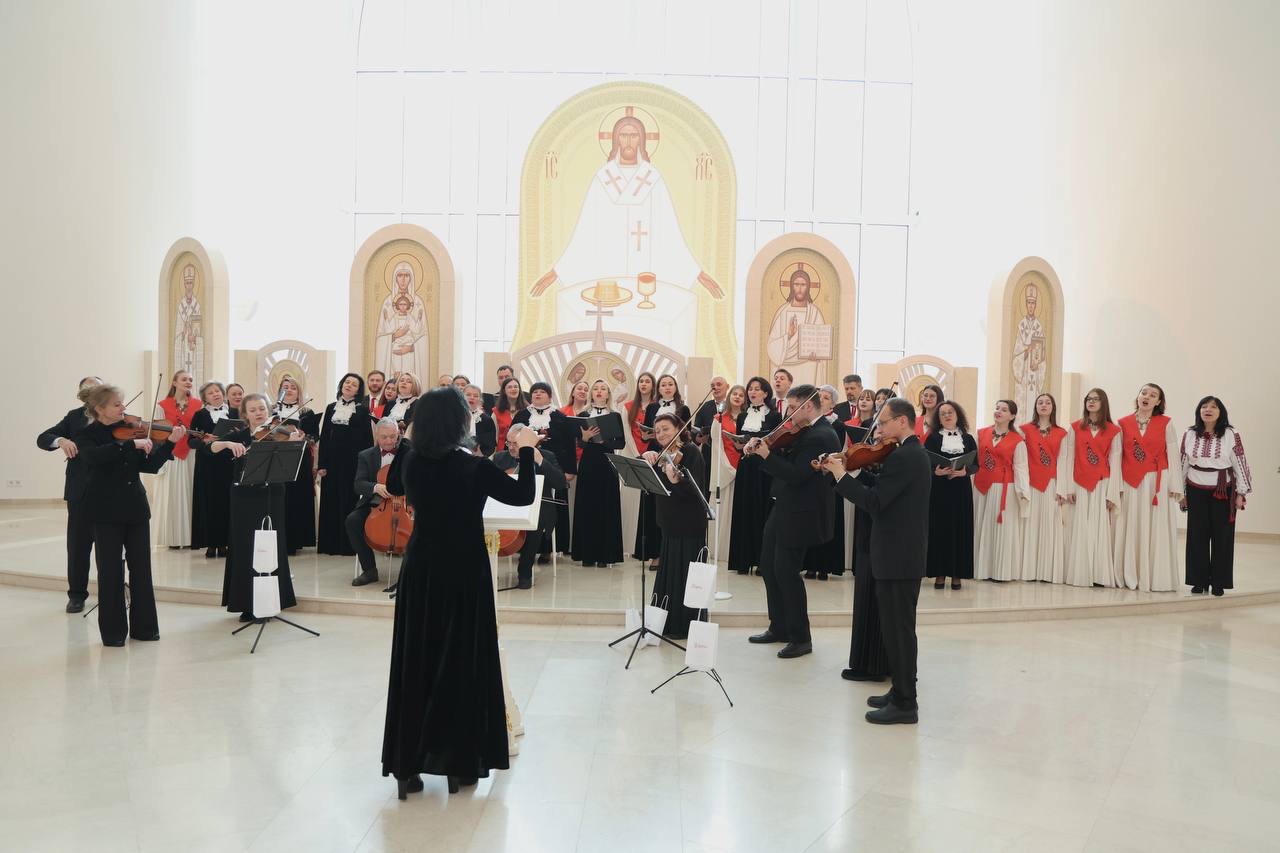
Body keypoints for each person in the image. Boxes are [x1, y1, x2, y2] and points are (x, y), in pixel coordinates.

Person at [381, 387, 539, 798]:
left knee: (418, 658)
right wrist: (526, 449)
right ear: (458, 424)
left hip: (421, 568)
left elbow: (394, 483)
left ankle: (408, 766)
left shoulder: (411, 462)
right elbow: (522, 495)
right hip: (463, 569)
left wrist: (408, 439)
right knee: (460, 660)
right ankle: (458, 762)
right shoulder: (472, 467)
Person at [822, 397, 931, 724]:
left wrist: (841, 477)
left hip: (898, 556)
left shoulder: (905, 457)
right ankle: (899, 692)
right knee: (895, 629)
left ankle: (906, 703)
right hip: (901, 554)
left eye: (883, 423)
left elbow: (876, 503)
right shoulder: (908, 454)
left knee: (899, 632)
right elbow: (884, 490)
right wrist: (852, 471)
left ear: (902, 421)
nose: (879, 429)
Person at [76, 384, 179, 646]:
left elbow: (150, 465)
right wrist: (129, 445)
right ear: (99, 409)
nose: (124, 408)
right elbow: (94, 458)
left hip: (135, 508)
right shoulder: (87, 435)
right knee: (110, 572)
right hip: (104, 510)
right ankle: (113, 634)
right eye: (117, 404)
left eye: (122, 403)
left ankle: (145, 629)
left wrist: (169, 444)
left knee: (141, 570)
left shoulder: (132, 431)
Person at [744, 384, 841, 659]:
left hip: (801, 512)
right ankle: (779, 626)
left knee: (787, 572)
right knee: (768, 565)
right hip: (785, 506)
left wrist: (766, 455)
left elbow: (797, 475)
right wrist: (763, 446)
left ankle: (801, 637)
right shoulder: (807, 431)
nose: (788, 413)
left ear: (808, 406)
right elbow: (788, 457)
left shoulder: (822, 435)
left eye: (793, 407)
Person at [203, 393, 304, 621]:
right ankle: (247, 604)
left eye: (262, 408)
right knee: (246, 547)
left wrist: (295, 443)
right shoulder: (238, 434)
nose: (259, 413)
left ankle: (273, 601)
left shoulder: (279, 432)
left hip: (273, 493)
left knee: (272, 547)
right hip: (244, 497)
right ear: (245, 414)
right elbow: (208, 447)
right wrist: (227, 443)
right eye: (253, 410)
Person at [36, 376, 103, 612]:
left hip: (109, 491)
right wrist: (61, 440)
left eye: (97, 386)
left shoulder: (115, 415)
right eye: (88, 388)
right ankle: (76, 595)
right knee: (77, 547)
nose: (93, 390)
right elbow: (43, 438)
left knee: (110, 547)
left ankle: (111, 592)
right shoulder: (74, 417)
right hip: (79, 491)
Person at [642, 414, 707, 639]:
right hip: (669, 524)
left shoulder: (690, 452)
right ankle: (667, 623)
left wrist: (676, 480)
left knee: (686, 577)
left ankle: (684, 625)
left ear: (679, 428)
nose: (661, 434)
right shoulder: (662, 454)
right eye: (657, 430)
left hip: (689, 524)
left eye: (666, 429)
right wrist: (644, 457)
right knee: (670, 575)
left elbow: (696, 490)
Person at [1180, 396, 1251, 596]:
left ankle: (1219, 582)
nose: (1208, 410)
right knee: (1197, 536)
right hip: (1195, 489)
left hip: (1223, 490)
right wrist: (1181, 492)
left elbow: (1240, 461)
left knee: (1222, 537)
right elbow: (1182, 463)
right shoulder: (1189, 433)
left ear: (1221, 412)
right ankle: (1199, 581)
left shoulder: (1231, 433)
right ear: (1199, 411)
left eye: (1213, 407)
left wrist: (1241, 493)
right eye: (1204, 406)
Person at [1113, 383, 1181, 592]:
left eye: (1153, 395)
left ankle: (1154, 576)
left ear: (1158, 402)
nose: (1147, 397)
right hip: (1130, 481)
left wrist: (1175, 485)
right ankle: (1129, 573)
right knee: (1131, 522)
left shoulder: (1166, 423)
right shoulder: (1122, 423)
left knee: (1154, 525)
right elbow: (1116, 456)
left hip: (1156, 483)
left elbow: (1173, 454)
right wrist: (1116, 486)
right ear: (1138, 396)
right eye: (1144, 393)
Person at [1060, 389, 1122, 588]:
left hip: (1101, 484)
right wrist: (1068, 487)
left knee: (1098, 527)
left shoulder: (1114, 430)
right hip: (1078, 483)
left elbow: (1116, 461)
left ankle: (1098, 574)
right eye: (1088, 399)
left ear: (1103, 403)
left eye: (1096, 399)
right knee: (1079, 526)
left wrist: (1113, 492)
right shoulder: (1075, 428)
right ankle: (1078, 574)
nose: (1091, 402)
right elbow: (1067, 458)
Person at [493, 423, 568, 589]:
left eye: (515, 443)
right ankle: (489, 570)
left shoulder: (545, 456)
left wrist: (540, 460)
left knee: (536, 520)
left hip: (538, 507)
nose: (511, 447)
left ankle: (525, 571)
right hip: (507, 508)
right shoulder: (500, 458)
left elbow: (560, 483)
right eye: (509, 443)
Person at [514, 381, 576, 559]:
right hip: (527, 468)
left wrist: (569, 470)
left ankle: (548, 549)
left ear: (550, 396)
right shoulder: (522, 415)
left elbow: (569, 445)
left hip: (553, 469)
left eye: (542, 391)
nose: (538, 394)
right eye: (535, 392)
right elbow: (511, 440)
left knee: (550, 508)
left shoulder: (559, 417)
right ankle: (524, 547)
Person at [316, 373, 375, 556]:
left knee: (349, 501)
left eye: (354, 384)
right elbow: (324, 437)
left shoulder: (362, 410)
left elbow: (367, 440)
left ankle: (348, 545)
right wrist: (322, 464)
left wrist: (365, 467)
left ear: (358, 390)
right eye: (347, 382)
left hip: (352, 462)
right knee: (331, 500)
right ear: (341, 385)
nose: (349, 385)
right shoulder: (331, 407)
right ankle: (329, 545)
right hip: (332, 462)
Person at [727, 377, 781, 574]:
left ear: (766, 393)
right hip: (746, 466)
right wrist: (738, 444)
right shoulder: (743, 416)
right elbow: (740, 441)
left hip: (764, 468)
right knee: (745, 509)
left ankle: (761, 561)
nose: (752, 392)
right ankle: (743, 560)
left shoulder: (774, 416)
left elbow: (776, 442)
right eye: (750, 389)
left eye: (757, 389)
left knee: (762, 511)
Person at [347, 418, 409, 587]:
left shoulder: (408, 452)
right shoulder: (366, 455)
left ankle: (410, 572)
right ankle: (369, 570)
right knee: (352, 521)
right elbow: (358, 484)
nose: (389, 441)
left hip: (405, 502)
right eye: (384, 437)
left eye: (393, 436)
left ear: (398, 434)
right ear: (376, 436)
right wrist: (375, 487)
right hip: (376, 503)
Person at [973, 400, 1031, 581]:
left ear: (1012, 416)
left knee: (1002, 529)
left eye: (1004, 410)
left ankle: (1001, 572)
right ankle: (980, 570)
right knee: (981, 525)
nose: (999, 411)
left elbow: (1021, 467)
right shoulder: (981, 434)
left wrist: (1023, 492)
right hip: (981, 486)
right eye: (997, 408)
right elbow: (973, 460)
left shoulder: (1017, 441)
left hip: (1004, 488)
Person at [571, 380, 626, 567]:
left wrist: (605, 442)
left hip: (607, 463)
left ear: (608, 394)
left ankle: (605, 555)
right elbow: (579, 443)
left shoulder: (615, 415)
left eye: (603, 388)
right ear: (591, 394)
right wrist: (585, 438)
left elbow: (621, 443)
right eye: (596, 388)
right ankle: (587, 554)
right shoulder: (583, 415)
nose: (599, 391)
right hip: (588, 463)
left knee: (606, 504)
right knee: (587, 505)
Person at [637, 374, 689, 568]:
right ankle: (655, 554)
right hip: (655, 455)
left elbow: (686, 435)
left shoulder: (684, 408)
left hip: (676, 455)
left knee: (671, 505)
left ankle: (672, 552)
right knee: (652, 506)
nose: (667, 387)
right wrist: (647, 436)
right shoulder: (652, 408)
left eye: (670, 384)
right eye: (663, 385)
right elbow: (647, 435)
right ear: (658, 389)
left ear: (675, 387)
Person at [924, 400, 976, 589]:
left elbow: (976, 465)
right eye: (943, 413)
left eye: (950, 412)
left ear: (957, 415)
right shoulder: (933, 438)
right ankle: (939, 573)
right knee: (940, 530)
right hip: (939, 490)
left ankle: (957, 574)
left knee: (960, 529)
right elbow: (925, 462)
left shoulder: (968, 439)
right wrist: (935, 471)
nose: (947, 415)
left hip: (961, 490)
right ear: (938, 418)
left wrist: (965, 471)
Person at [1019, 393, 1069, 583]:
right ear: (1035, 407)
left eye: (1048, 402)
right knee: (1029, 525)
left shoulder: (1062, 433)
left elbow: (1063, 462)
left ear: (1053, 407)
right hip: (1031, 483)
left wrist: (1062, 488)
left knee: (1049, 524)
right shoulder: (1024, 430)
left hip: (1051, 484)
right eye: (1040, 402)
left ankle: (1047, 571)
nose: (1044, 405)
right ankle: (1027, 570)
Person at [154, 369, 203, 548]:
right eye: (184, 379)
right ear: (174, 383)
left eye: (191, 379)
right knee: (172, 495)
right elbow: (157, 433)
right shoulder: (161, 405)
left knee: (191, 493)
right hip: (171, 453)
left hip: (192, 454)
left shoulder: (199, 404)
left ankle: (192, 538)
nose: (188, 382)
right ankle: (173, 538)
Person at [804, 384, 848, 580]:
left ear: (833, 404)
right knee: (812, 520)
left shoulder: (838, 425)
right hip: (812, 475)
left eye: (826, 397)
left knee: (828, 519)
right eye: (819, 396)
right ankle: (810, 564)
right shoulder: (809, 424)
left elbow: (836, 451)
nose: (821, 399)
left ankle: (824, 566)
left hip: (830, 477)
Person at [190, 381, 236, 558]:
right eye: (210, 393)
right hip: (207, 465)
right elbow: (191, 442)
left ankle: (225, 543)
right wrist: (204, 440)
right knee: (209, 502)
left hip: (229, 463)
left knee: (227, 502)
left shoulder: (234, 413)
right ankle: (210, 543)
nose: (215, 394)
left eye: (217, 391)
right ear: (204, 398)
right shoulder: (199, 415)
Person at [274, 376, 319, 555]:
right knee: (280, 497)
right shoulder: (273, 410)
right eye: (285, 387)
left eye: (293, 387)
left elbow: (314, 436)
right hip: (278, 458)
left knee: (297, 497)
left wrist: (304, 436)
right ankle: (279, 540)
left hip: (300, 459)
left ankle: (296, 539)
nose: (289, 390)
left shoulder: (307, 412)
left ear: (299, 391)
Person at [492, 376, 527, 452]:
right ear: (504, 391)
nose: (513, 389)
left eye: (516, 387)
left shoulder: (528, 410)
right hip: (502, 453)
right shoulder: (496, 412)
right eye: (510, 387)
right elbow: (494, 438)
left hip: (523, 452)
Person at [463, 384, 497, 457]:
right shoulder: (455, 417)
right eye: (468, 395)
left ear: (480, 400)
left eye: (475, 396)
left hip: (478, 457)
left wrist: (481, 455)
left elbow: (490, 445)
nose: (472, 397)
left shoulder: (486, 420)